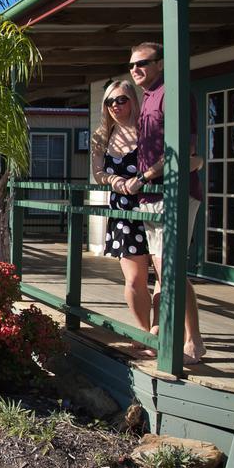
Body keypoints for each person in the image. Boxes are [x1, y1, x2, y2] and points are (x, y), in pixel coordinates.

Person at [124, 41, 206, 365]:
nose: (135, 69)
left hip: (174, 194)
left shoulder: (173, 93)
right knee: (164, 272)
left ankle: (193, 343)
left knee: (171, 271)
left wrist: (143, 178)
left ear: (159, 63)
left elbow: (181, 154)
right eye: (131, 65)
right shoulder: (147, 98)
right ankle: (164, 337)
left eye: (142, 62)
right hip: (152, 198)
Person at [91, 80, 154, 356]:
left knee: (165, 276)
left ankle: (158, 331)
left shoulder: (147, 130)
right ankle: (143, 330)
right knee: (134, 279)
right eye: (110, 101)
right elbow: (98, 173)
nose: (115, 106)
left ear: (132, 99)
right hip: (123, 213)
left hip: (153, 206)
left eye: (121, 100)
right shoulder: (102, 136)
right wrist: (114, 180)